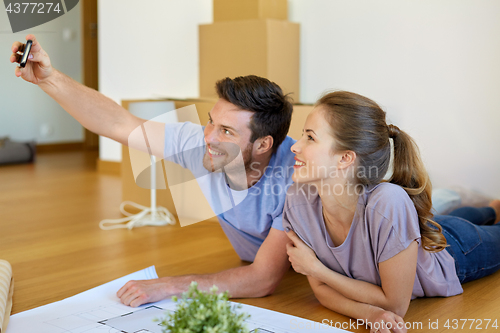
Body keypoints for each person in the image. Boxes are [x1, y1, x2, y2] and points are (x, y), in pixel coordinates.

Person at [10, 35, 296, 307]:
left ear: (263, 144)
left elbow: (263, 280)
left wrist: (170, 285)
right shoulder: (200, 143)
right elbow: (118, 123)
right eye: (211, 122)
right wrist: (49, 79)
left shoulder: (294, 178)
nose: (209, 137)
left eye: (227, 131)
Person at [282, 91, 500, 333]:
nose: (295, 146)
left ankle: (490, 211)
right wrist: (369, 313)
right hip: (420, 233)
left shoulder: (388, 201)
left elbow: (395, 304)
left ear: (345, 158)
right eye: (302, 134)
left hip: (454, 250)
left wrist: (315, 268)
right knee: (456, 217)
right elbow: (322, 291)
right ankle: (490, 209)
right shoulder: (297, 200)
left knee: (462, 227)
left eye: (310, 138)